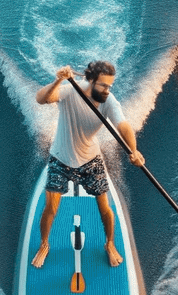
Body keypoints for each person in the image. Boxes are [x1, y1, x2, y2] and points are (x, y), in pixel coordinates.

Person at [30, 60, 143, 269]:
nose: (108, 90)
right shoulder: (71, 90)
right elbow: (41, 98)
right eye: (104, 85)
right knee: (50, 207)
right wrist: (58, 81)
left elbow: (123, 126)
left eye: (110, 86)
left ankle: (109, 244)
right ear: (90, 81)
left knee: (104, 207)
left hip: (91, 159)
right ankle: (44, 244)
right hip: (60, 157)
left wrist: (133, 150)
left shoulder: (109, 102)